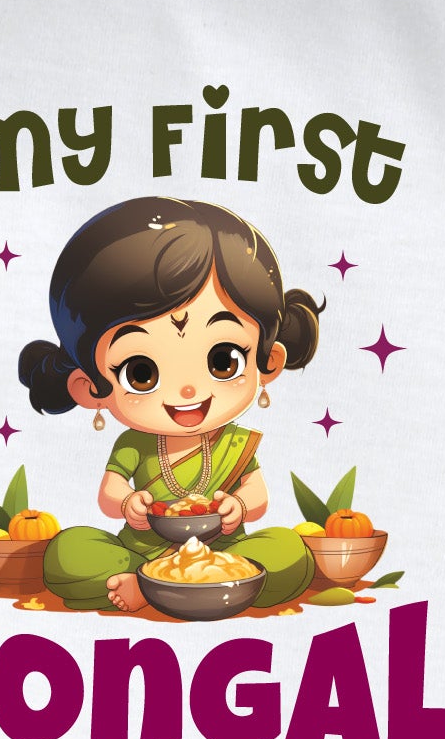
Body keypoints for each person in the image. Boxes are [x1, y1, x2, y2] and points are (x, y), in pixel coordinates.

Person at [18, 195, 321, 612]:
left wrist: (239, 507)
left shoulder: (236, 442)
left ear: (268, 363)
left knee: (288, 550)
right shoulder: (134, 444)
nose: (187, 391)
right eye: (141, 372)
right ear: (89, 387)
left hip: (225, 554)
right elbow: (109, 493)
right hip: (141, 552)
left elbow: (257, 494)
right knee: (68, 553)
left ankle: (191, 585)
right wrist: (128, 503)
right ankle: (150, 582)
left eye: (223, 361)